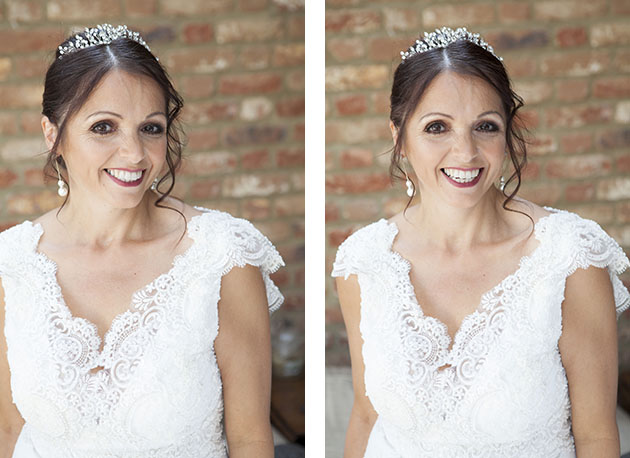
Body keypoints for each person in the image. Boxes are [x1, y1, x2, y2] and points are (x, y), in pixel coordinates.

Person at [332, 27, 629, 457]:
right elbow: (365, 413)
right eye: (437, 127)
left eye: (485, 127)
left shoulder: (570, 258)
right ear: (399, 136)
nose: (465, 152)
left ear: (506, 134)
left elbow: (597, 436)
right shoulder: (364, 261)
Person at [0, 24, 283, 457]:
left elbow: (250, 440)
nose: (133, 154)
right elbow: (9, 431)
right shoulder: (12, 264)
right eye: (103, 128)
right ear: (52, 135)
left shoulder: (221, 256)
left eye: (150, 129)